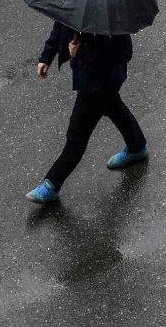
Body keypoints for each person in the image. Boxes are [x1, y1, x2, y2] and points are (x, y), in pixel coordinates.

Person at [25, 21, 148, 204]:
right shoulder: (75, 4)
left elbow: (123, 54)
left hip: (102, 83)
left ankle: (51, 184)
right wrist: (46, 57)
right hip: (88, 79)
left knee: (77, 135)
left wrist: (80, 52)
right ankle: (137, 146)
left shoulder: (112, 19)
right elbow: (60, 26)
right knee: (114, 108)